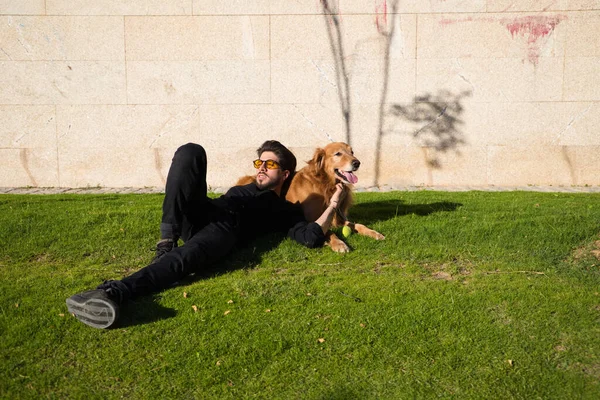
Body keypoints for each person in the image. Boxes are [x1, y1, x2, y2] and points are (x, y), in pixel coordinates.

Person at [66, 141, 344, 329]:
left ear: (284, 174)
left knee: (180, 262)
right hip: (208, 211)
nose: (261, 167)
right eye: (259, 162)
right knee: (191, 151)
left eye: (269, 165)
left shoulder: (282, 208)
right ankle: (166, 241)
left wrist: (332, 204)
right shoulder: (244, 187)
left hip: (225, 231)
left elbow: (310, 237)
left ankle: (112, 292)